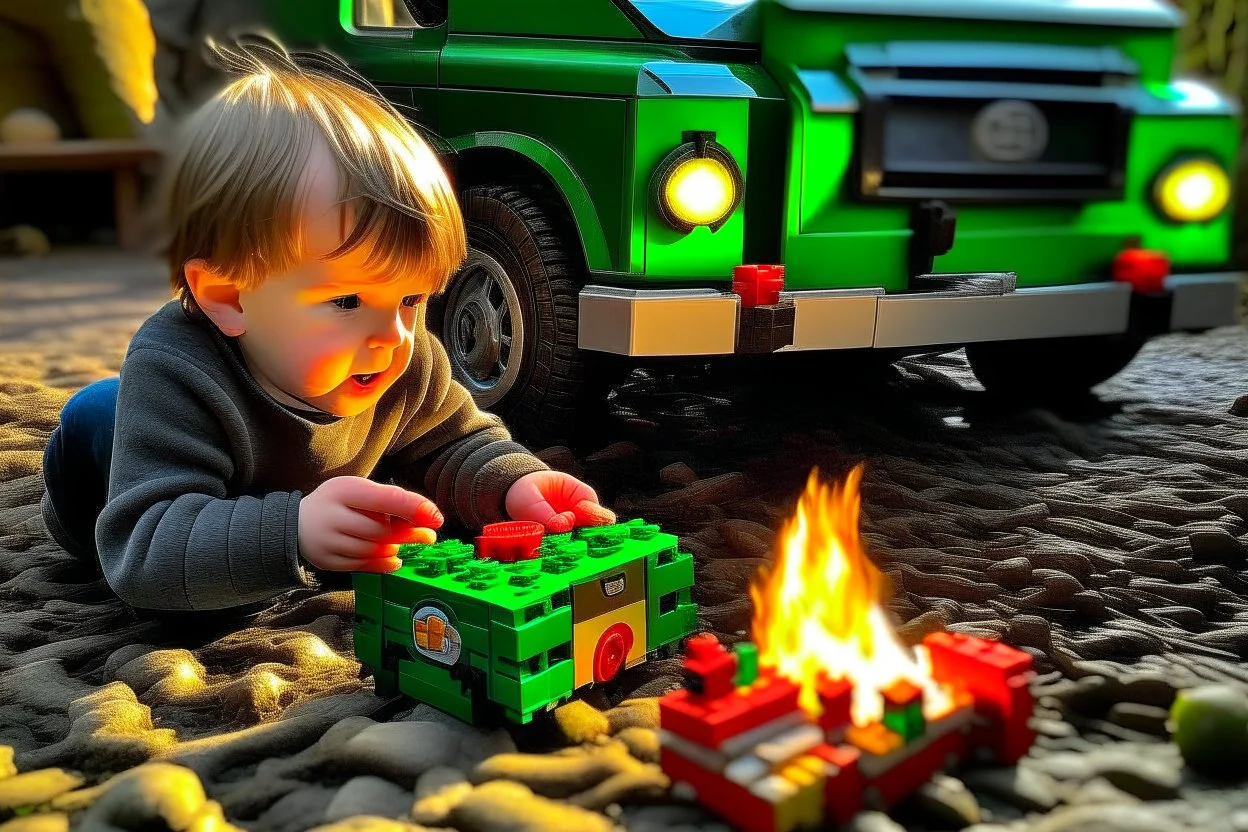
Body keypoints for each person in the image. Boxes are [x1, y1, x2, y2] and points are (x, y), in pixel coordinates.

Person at [40, 36, 615, 623]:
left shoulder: (403, 358)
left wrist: (513, 489)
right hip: (101, 468)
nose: (393, 334)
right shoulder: (176, 370)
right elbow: (144, 557)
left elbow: (454, 445)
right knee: (99, 410)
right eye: (346, 300)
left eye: (412, 297)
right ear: (228, 297)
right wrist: (292, 531)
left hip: (266, 483)